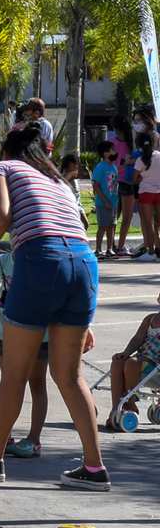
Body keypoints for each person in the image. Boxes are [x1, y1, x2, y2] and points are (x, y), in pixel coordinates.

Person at [0, 127, 107, 490]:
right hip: (84, 264)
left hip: (40, 260)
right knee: (70, 377)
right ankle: (93, 466)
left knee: (15, 372)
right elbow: (79, 227)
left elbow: (1, 216)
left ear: (8, 149)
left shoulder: (2, 168)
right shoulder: (56, 179)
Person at [0, 241, 52, 459]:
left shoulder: (43, 262)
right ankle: (2, 437)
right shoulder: (4, 261)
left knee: (37, 384)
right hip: (6, 332)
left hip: (40, 333)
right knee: (9, 383)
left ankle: (34, 440)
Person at [103, 292, 160, 430]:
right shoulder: (150, 319)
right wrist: (125, 353)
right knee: (118, 362)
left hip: (156, 366)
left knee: (132, 363)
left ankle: (130, 401)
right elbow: (137, 339)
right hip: (143, 361)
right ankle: (116, 408)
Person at [132, 132, 160, 262]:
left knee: (148, 224)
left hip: (146, 193)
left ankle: (151, 251)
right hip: (159, 192)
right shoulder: (159, 156)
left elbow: (134, 179)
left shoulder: (140, 160)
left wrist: (143, 177)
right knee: (158, 223)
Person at [91, 142, 119, 259]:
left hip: (113, 202)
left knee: (112, 225)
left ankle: (109, 249)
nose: (114, 152)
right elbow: (96, 185)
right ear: (105, 153)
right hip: (102, 203)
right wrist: (104, 200)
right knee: (102, 226)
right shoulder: (100, 167)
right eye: (112, 150)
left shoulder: (113, 166)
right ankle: (98, 249)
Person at [115, 125, 139, 255]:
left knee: (116, 216)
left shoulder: (113, 142)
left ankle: (113, 246)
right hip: (127, 181)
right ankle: (120, 246)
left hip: (116, 181)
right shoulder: (132, 145)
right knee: (127, 217)